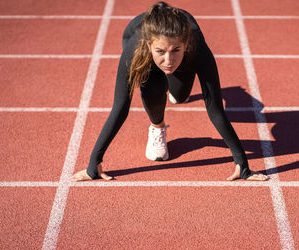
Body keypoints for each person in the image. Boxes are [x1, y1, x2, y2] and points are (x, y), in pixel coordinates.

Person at [73, 1, 268, 182]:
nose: (168, 60)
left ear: (185, 45)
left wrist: (242, 165)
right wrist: (93, 165)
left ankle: (190, 85)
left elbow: (215, 109)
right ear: (149, 45)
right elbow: (120, 108)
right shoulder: (135, 49)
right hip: (142, 50)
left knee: (181, 96)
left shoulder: (198, 49)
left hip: (187, 60)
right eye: (161, 52)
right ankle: (157, 127)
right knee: (153, 89)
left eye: (176, 50)